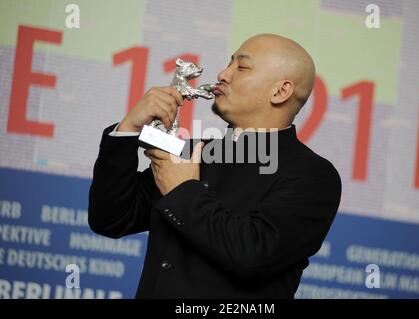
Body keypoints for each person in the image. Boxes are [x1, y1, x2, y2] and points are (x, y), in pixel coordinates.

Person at [88, 33, 342, 298]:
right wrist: (128, 129)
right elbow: (111, 219)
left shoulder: (313, 176)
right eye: (228, 63)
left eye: (241, 67)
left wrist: (184, 189)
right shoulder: (197, 151)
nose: (223, 74)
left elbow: (252, 254)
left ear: (280, 91)